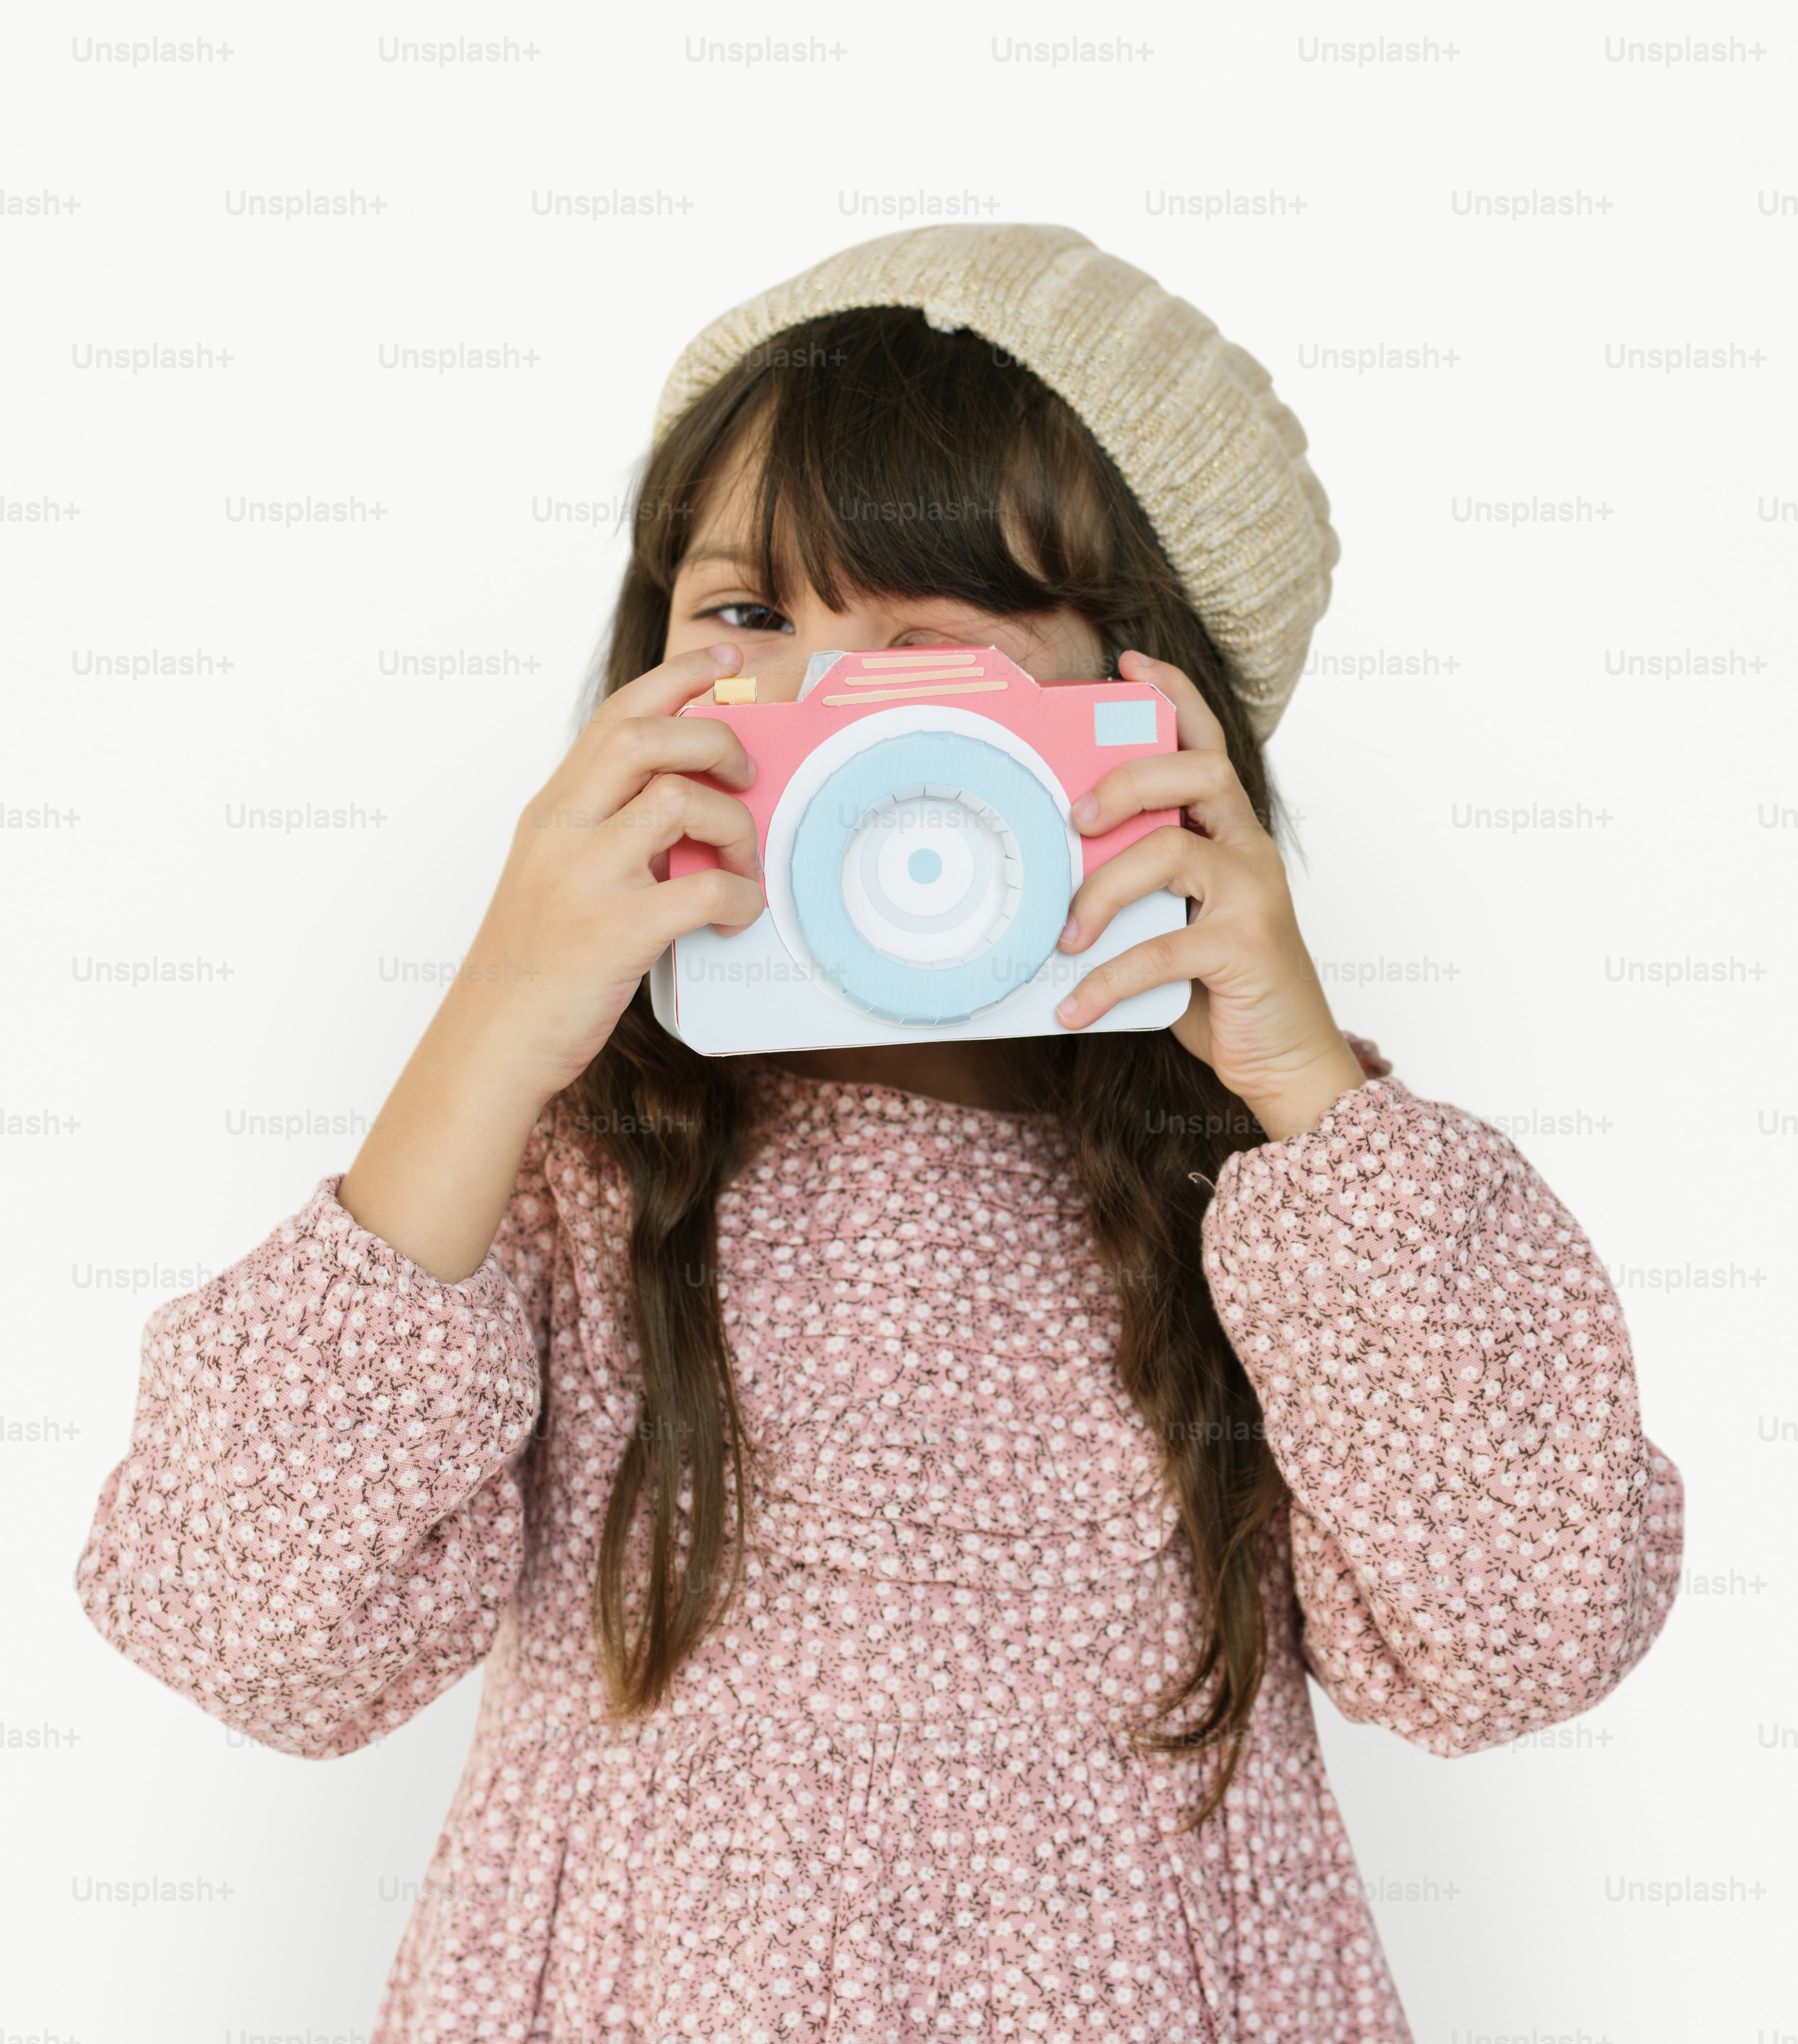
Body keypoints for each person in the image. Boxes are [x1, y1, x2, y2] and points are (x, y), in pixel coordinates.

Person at [75, 224, 1684, 2043]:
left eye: (927, 641)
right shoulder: (561, 1158)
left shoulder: (1276, 1187)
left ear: (1141, 712)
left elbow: (1523, 1636)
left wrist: (1305, 1081)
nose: (811, 713)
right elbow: (241, 1629)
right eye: (745, 617)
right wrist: (490, 1031)